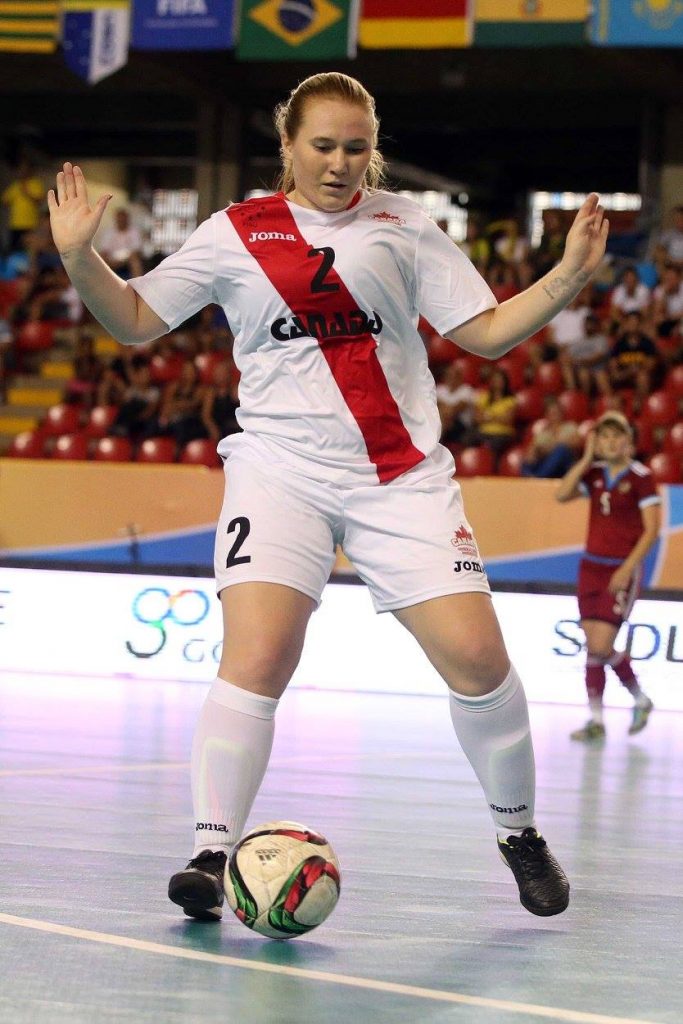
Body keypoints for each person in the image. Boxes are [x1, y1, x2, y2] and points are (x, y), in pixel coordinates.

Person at [48, 72, 609, 923]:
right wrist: (77, 256)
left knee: (478, 663)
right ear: (288, 146)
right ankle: (208, 849)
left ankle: (519, 833)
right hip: (279, 471)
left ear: (371, 149)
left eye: (355, 147)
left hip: (399, 478)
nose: (340, 164)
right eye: (322, 146)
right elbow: (131, 321)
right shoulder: (235, 233)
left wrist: (566, 275)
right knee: (259, 656)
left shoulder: (405, 225)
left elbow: (487, 334)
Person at [556, 412, 661, 742]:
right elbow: (562, 493)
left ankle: (639, 699)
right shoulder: (596, 473)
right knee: (593, 646)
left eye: (617, 437)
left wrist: (627, 569)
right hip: (590, 567)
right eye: (604, 437)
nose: (611, 443)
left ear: (628, 441)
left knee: (601, 644)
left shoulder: (641, 476)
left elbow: (652, 530)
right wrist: (586, 458)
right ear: (597, 442)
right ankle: (598, 720)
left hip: (619, 568)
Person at [521, 396, 579, 478]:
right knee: (526, 461)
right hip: (545, 461)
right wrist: (534, 452)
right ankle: (530, 478)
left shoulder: (570, 427)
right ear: (547, 415)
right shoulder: (543, 433)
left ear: (561, 413)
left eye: (556, 412)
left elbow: (576, 444)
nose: (555, 415)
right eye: (551, 413)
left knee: (561, 449)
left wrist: (552, 447)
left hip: (564, 465)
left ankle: (539, 478)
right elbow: (533, 450)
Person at [1, 160, 43, 253]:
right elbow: (4, 201)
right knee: (14, 250)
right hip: (15, 224)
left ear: (30, 170)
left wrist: (26, 192)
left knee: (30, 251)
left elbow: (39, 200)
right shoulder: (15, 185)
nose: (23, 171)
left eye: (25, 169)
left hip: (30, 223)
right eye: (21, 169)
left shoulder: (35, 184)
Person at [97, 207, 143, 279]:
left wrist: (122, 262)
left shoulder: (134, 232)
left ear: (127, 219)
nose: (121, 220)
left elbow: (136, 251)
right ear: (116, 219)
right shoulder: (108, 232)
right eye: (119, 218)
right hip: (111, 260)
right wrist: (112, 262)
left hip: (127, 261)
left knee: (135, 260)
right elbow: (104, 251)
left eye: (123, 218)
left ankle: (136, 287)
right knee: (100, 258)